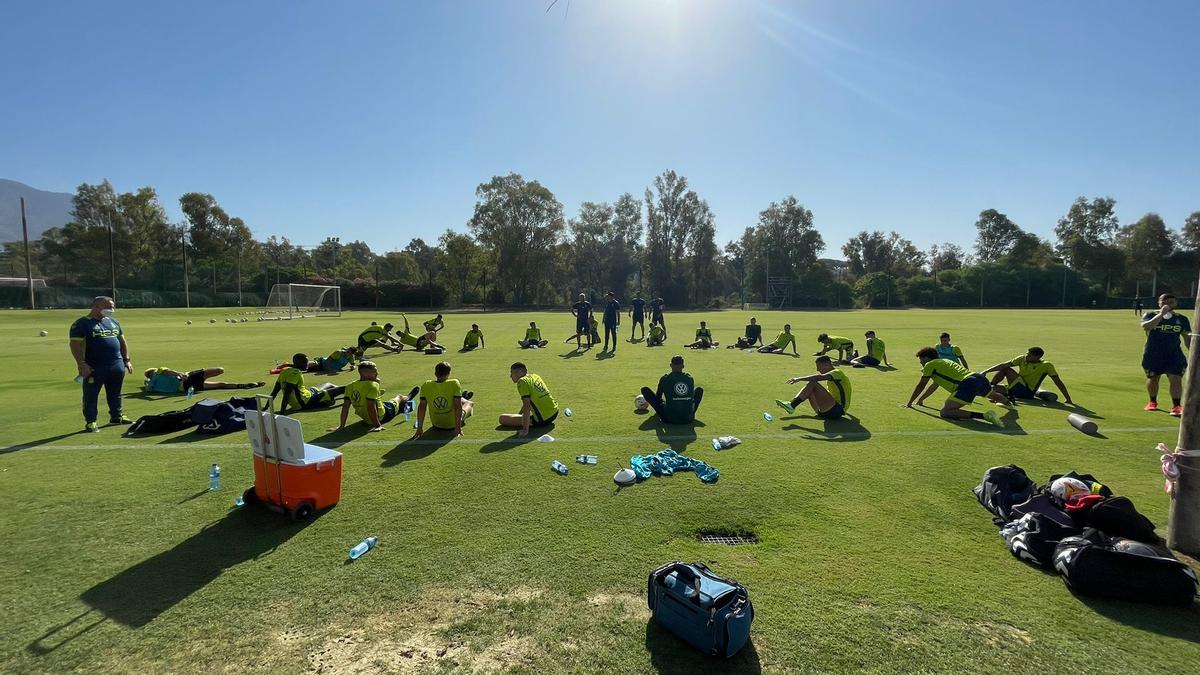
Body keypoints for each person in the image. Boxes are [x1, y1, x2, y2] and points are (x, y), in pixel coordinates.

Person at [70, 296, 133, 431]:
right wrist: (81, 363)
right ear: (96, 307)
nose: (112, 309)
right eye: (108, 307)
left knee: (115, 392)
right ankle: (91, 421)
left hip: (116, 364)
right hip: (94, 365)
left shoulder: (113, 322)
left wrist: (126, 360)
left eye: (112, 307)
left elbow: (122, 341)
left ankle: (117, 416)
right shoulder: (82, 323)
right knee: (91, 395)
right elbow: (75, 344)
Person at [906, 347, 1003, 427]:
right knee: (994, 396)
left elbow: (921, 385)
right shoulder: (944, 361)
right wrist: (921, 399)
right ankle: (1008, 402)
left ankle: (985, 416)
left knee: (945, 412)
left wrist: (909, 403)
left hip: (967, 383)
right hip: (978, 377)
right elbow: (934, 385)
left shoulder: (929, 365)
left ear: (926, 358)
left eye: (921, 360)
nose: (920, 362)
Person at [328, 360, 418, 432]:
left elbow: (345, 407)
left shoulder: (350, 386)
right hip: (383, 415)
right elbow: (371, 407)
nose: (377, 373)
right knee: (399, 398)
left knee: (383, 401)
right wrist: (378, 425)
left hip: (367, 417)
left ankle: (402, 405)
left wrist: (341, 426)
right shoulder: (373, 385)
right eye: (374, 371)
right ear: (365, 374)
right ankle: (408, 397)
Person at [1141, 292, 1191, 415]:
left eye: (1171, 302)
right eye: (1164, 302)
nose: (1167, 304)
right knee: (1153, 379)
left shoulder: (1182, 319)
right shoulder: (1150, 315)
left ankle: (1176, 406)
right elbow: (1147, 326)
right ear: (1159, 303)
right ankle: (1152, 402)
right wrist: (1161, 314)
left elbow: (1187, 339)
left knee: (1176, 378)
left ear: (1176, 304)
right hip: (1153, 354)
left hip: (1174, 355)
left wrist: (1194, 352)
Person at [984, 347, 1073, 405]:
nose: (1026, 356)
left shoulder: (1046, 365)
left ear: (1037, 357)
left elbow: (1057, 381)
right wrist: (986, 371)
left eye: (1029, 355)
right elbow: (1004, 364)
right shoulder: (1022, 359)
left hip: (1027, 391)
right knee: (988, 389)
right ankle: (997, 391)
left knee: (1006, 369)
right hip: (1016, 387)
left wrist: (1068, 399)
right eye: (1027, 354)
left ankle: (1007, 396)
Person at [775, 355, 851, 420]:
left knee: (813, 383)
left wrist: (799, 379)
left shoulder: (837, 373)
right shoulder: (833, 377)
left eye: (819, 366)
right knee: (811, 389)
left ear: (827, 364)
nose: (818, 369)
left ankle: (792, 405)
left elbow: (818, 377)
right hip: (826, 411)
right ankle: (791, 406)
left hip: (837, 410)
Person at [414, 361, 475, 438]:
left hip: (436, 424)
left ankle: (462, 397)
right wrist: (458, 428)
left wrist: (419, 429)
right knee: (469, 403)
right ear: (448, 373)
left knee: (456, 399)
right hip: (452, 425)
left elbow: (422, 407)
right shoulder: (454, 383)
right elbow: (457, 407)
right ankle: (464, 398)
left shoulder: (426, 385)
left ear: (435, 373)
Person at [268, 354, 345, 414]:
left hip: (307, 394)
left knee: (328, 384)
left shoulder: (284, 372)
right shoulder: (296, 373)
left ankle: (342, 396)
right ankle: (349, 397)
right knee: (341, 390)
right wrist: (282, 412)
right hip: (305, 402)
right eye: (304, 362)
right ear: (298, 363)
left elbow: (274, 392)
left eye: (307, 362)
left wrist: (265, 407)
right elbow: (287, 394)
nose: (307, 364)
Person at [499, 362, 559, 436]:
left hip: (543, 419)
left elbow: (527, 406)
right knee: (517, 417)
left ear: (520, 372)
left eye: (512, 373)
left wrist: (525, 430)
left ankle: (527, 424)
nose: (510, 376)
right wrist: (519, 415)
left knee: (502, 418)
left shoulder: (522, 382)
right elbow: (531, 401)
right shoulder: (535, 376)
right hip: (555, 412)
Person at [640, 354, 703, 423]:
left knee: (645, 390)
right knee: (699, 390)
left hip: (668, 418)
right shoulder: (690, 378)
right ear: (683, 366)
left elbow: (658, 397)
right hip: (688, 419)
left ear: (671, 365)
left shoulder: (665, 378)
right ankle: (690, 413)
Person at [144, 366, 264, 394]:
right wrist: (181, 373)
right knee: (220, 370)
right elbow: (168, 371)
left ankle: (243, 386)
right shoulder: (158, 371)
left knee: (220, 385)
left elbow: (148, 389)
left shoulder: (151, 384)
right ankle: (244, 385)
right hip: (186, 380)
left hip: (186, 388)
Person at [920, 333, 967, 402]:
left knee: (954, 387)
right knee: (935, 384)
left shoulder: (955, 348)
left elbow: (962, 359)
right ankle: (920, 400)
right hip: (942, 369)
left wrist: (966, 370)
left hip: (954, 370)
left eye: (945, 340)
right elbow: (934, 357)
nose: (944, 342)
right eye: (942, 341)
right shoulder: (937, 347)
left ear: (949, 340)